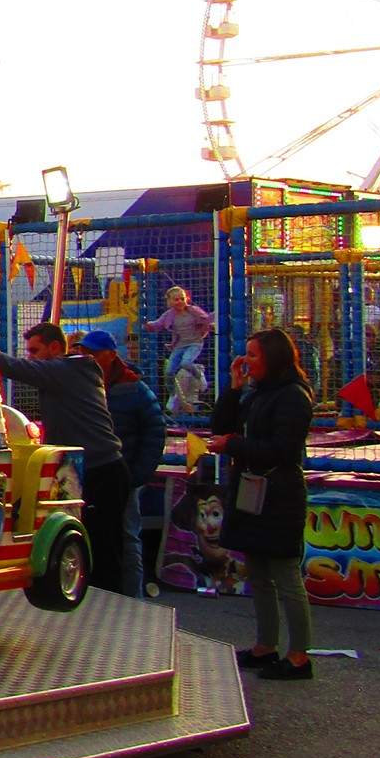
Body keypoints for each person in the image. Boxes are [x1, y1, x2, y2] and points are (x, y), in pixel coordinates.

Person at [208, 327, 317, 681]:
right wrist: (234, 388)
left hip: (279, 492)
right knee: (257, 570)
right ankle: (265, 645)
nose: (246, 361)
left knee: (285, 574)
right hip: (252, 489)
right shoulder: (257, 393)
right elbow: (222, 425)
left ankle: (300, 655)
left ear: (273, 357)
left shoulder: (293, 396)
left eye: (253, 355)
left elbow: (283, 448)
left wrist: (234, 447)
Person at [0, 321, 134, 594]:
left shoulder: (66, 369)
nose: (31, 357)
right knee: (90, 542)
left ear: (55, 348)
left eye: (36, 351)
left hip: (100, 469)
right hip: (87, 467)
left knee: (104, 547)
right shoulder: (68, 372)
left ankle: (110, 601)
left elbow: (17, 368)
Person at [81, 329, 166, 599]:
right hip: (92, 474)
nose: (87, 357)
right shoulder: (83, 383)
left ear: (111, 356)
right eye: (85, 352)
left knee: (128, 538)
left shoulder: (134, 389)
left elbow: (155, 432)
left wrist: (136, 475)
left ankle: (134, 599)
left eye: (93, 353)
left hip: (123, 474)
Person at [148, 286, 214, 391]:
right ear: (169, 301)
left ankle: (200, 376)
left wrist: (210, 325)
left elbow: (206, 319)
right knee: (169, 372)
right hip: (180, 345)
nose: (180, 302)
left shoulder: (193, 310)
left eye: (182, 299)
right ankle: (173, 394)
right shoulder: (169, 315)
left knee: (186, 363)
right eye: (176, 299)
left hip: (195, 343)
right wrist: (150, 324)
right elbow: (158, 323)